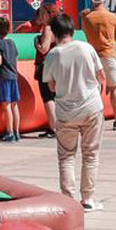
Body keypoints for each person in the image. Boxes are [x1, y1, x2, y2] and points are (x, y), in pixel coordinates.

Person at [41, 14, 107, 211]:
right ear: (72, 29)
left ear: (54, 32)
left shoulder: (53, 54)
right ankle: (88, 199)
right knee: (91, 155)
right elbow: (101, 75)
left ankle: (69, 201)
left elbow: (51, 87)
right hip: (92, 108)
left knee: (67, 156)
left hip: (66, 112)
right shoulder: (86, 48)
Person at [82, 0, 116, 131]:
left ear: (92, 1)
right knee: (114, 89)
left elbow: (86, 35)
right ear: (104, 1)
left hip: (94, 55)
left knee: (95, 89)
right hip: (109, 54)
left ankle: (95, 119)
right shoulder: (113, 17)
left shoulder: (87, 18)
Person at [33, 6, 59, 139]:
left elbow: (44, 49)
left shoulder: (48, 29)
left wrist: (37, 43)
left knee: (47, 97)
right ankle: (55, 126)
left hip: (45, 65)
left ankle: (53, 127)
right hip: (54, 65)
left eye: (42, 14)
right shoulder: (57, 28)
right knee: (53, 96)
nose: (40, 16)